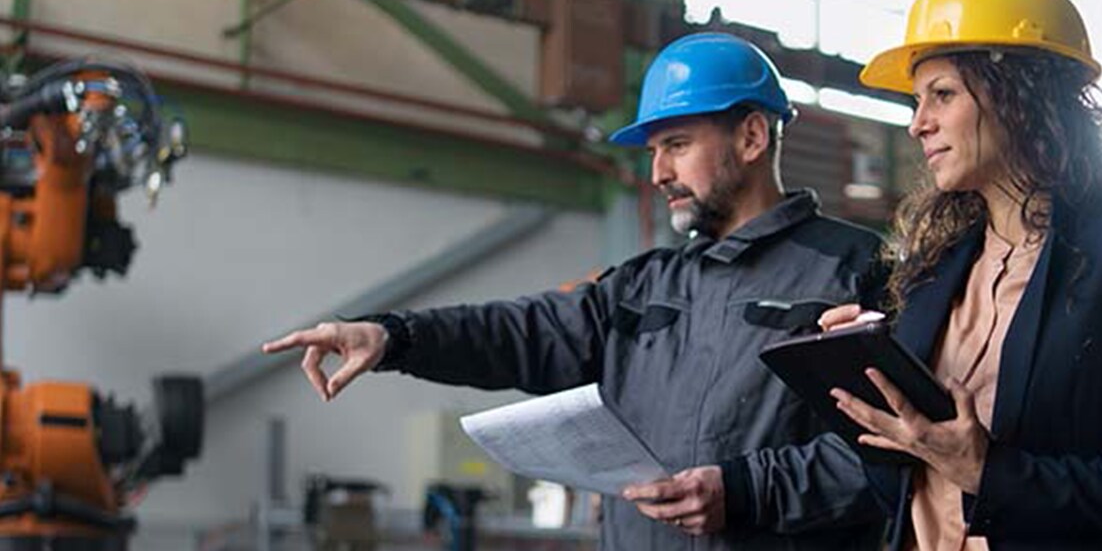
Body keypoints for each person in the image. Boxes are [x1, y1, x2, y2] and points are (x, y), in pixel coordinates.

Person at [264, 32, 887, 550]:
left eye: (676, 145)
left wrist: (746, 491)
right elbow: (518, 332)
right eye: (654, 151)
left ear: (751, 138)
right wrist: (392, 337)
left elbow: (892, 452)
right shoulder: (644, 288)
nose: (658, 172)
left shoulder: (856, 272)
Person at [818, 0, 1102, 550]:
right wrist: (873, 370)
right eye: (917, 101)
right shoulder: (934, 269)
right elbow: (899, 481)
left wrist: (994, 476)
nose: (918, 124)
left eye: (942, 94)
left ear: (1021, 96)